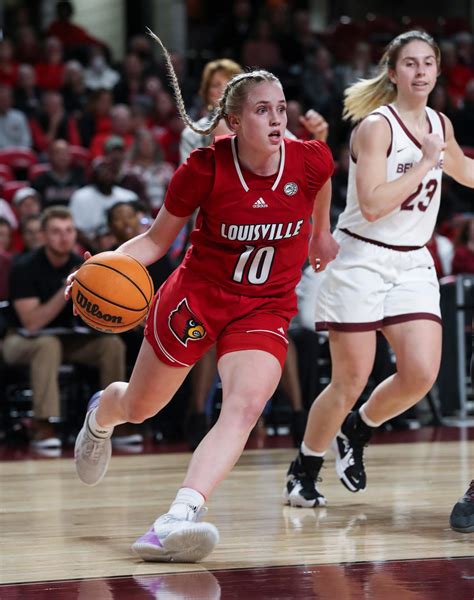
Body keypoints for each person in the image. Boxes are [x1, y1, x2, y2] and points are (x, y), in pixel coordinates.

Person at [69, 30, 337, 562]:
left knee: (244, 405)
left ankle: (177, 518)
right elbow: (153, 241)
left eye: (281, 107)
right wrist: (101, 266)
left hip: (265, 305)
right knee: (142, 407)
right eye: (263, 110)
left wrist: (321, 232)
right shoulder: (203, 169)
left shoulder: (310, 160)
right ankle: (103, 413)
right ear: (234, 122)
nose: (278, 119)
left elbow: (320, 181)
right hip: (198, 297)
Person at [284, 30, 474, 508]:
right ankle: (304, 467)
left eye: (428, 62)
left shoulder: (439, 124)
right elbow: (370, 205)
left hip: (412, 259)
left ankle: (359, 429)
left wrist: (440, 154)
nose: (421, 71)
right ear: (393, 72)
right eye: (410, 63)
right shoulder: (376, 127)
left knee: (420, 373)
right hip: (362, 257)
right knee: (350, 378)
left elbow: (465, 172)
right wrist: (425, 162)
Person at [3, 206, 126, 448]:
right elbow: (32, 323)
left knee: (111, 345)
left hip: (68, 338)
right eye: (56, 232)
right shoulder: (24, 267)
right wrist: (67, 287)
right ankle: (43, 425)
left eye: (69, 231)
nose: (64, 237)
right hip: (19, 340)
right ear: (45, 236)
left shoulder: (83, 264)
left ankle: (113, 421)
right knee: (47, 345)